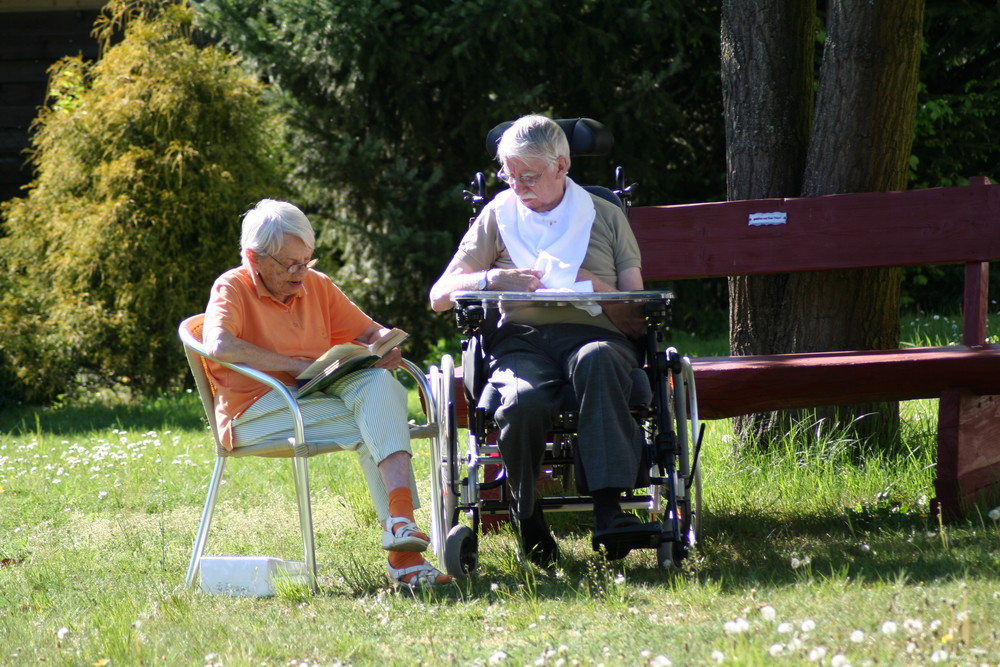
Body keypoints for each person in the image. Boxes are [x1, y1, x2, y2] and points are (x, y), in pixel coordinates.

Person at [429, 114, 653, 567]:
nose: (518, 186)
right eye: (509, 176)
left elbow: (637, 317)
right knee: (520, 400)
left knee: (598, 360)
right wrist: (492, 277)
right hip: (521, 341)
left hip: (596, 336)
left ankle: (609, 511)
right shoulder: (497, 214)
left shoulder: (606, 216)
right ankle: (526, 516)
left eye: (529, 176)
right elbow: (438, 296)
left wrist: (590, 285)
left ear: (562, 165)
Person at [203, 199, 452, 589]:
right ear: (254, 258)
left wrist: (385, 342)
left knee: (381, 383)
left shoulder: (315, 285)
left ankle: (401, 524)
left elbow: (370, 331)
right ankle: (405, 558)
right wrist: (291, 364)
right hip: (251, 413)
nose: (301, 273)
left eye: (307, 260)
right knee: (375, 420)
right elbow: (218, 345)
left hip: (306, 401)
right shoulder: (231, 286)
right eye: (290, 264)